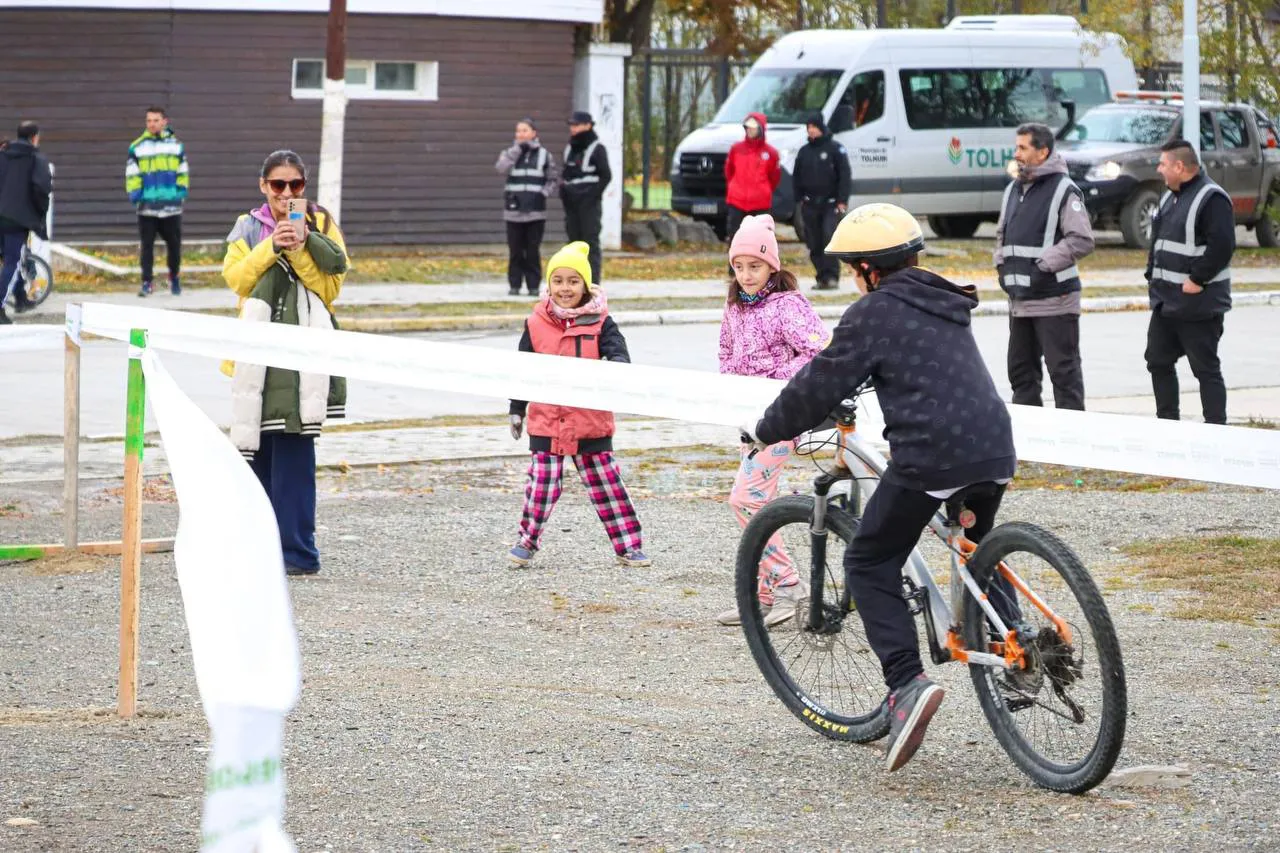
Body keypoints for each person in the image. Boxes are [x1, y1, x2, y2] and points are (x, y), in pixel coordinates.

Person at [741, 203, 1016, 772]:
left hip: (932, 457)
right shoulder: (944, 299)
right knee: (975, 552)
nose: (850, 277)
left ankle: (906, 686)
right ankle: (1020, 650)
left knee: (869, 560)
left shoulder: (873, 312)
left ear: (868, 268)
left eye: (851, 268)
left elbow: (819, 381)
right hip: (993, 445)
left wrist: (766, 429)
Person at [221, 150, 349, 576]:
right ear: (264, 186)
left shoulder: (322, 224)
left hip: (302, 359)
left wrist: (298, 247)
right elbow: (238, 280)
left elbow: (330, 289)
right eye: (278, 184)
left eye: (296, 185)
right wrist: (271, 245)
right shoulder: (247, 226)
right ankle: (260, 549)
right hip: (255, 356)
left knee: (294, 455)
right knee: (255, 456)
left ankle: (297, 553)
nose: (287, 193)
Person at [715, 214, 829, 627]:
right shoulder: (734, 307)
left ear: (772, 266)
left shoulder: (788, 306)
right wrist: (735, 391)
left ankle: (790, 587)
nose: (746, 275)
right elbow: (725, 352)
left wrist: (776, 383)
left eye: (755, 266)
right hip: (750, 419)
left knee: (745, 499)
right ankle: (765, 597)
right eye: (739, 266)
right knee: (755, 502)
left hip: (784, 417)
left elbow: (819, 352)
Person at [507, 241, 649, 569]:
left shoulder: (601, 321)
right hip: (547, 420)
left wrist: (617, 367)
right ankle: (526, 542)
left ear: (585, 285)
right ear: (549, 284)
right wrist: (516, 409)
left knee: (607, 487)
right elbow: (523, 371)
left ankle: (628, 546)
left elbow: (618, 352)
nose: (565, 288)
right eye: (558, 281)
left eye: (573, 281)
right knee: (541, 488)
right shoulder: (535, 322)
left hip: (590, 421)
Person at [994, 122, 1094, 411]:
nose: (1016, 153)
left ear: (1043, 152)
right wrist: (1000, 265)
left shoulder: (1064, 190)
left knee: (1063, 374)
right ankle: (1029, 434)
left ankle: (1071, 434)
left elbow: (1082, 240)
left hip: (1055, 300)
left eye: (1023, 148)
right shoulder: (1013, 188)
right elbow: (1002, 234)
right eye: (1016, 147)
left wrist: (1042, 267)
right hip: (1020, 300)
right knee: (1021, 373)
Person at [1145, 139, 1235, 425]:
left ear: (1179, 166)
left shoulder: (1212, 198)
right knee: (1157, 361)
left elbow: (1222, 245)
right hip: (1166, 302)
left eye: (1163, 164)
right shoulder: (1170, 196)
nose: (1159, 169)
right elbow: (1159, 242)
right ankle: (1167, 423)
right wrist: (1150, 274)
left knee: (1205, 369)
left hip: (1198, 304)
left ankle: (1216, 429)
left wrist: (1197, 279)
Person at [126, 106, 188, 297]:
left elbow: (183, 172)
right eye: (149, 120)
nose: (152, 124)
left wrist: (179, 194)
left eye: (155, 120)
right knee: (146, 247)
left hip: (171, 207)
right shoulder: (137, 147)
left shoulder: (176, 146)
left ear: (164, 122)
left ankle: (174, 278)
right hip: (147, 208)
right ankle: (147, 282)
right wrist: (136, 196)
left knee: (174, 246)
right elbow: (132, 174)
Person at [496, 117, 559, 296]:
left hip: (535, 212)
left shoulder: (544, 155)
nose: (521, 134)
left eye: (525, 130)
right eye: (518, 131)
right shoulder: (509, 153)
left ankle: (533, 286)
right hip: (513, 211)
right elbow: (501, 168)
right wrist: (517, 151)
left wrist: (543, 194)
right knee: (515, 250)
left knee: (532, 250)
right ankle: (514, 285)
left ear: (533, 133)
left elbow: (553, 178)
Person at [0, 121, 52, 324]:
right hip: (17, 219)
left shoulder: (3, 155)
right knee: (12, 263)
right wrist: (39, 213)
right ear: (34, 137)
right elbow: (41, 189)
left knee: (14, 260)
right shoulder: (36, 159)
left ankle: (20, 298)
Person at [792, 112, 851, 290]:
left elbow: (845, 176)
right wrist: (799, 199)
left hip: (830, 204)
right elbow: (796, 177)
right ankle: (821, 276)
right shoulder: (804, 152)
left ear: (821, 128)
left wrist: (842, 200)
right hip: (810, 204)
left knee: (828, 237)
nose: (811, 130)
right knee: (814, 241)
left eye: (814, 127)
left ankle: (832, 276)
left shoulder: (835, 149)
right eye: (808, 127)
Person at [560, 111, 611, 285]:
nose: (573, 129)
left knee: (590, 243)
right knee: (573, 244)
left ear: (588, 125)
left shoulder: (597, 148)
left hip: (589, 204)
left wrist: (592, 196)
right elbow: (565, 174)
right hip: (571, 203)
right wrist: (564, 192)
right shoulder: (569, 148)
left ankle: (592, 283)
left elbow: (606, 176)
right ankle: (575, 281)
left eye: (577, 125)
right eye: (571, 125)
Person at [724, 112, 780, 244]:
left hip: (760, 203)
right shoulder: (736, 149)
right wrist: (735, 187)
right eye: (748, 127)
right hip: (737, 200)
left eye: (753, 127)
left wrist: (763, 190)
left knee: (760, 240)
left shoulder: (771, 153)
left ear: (760, 129)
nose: (749, 130)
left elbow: (774, 177)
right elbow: (729, 171)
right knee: (735, 238)